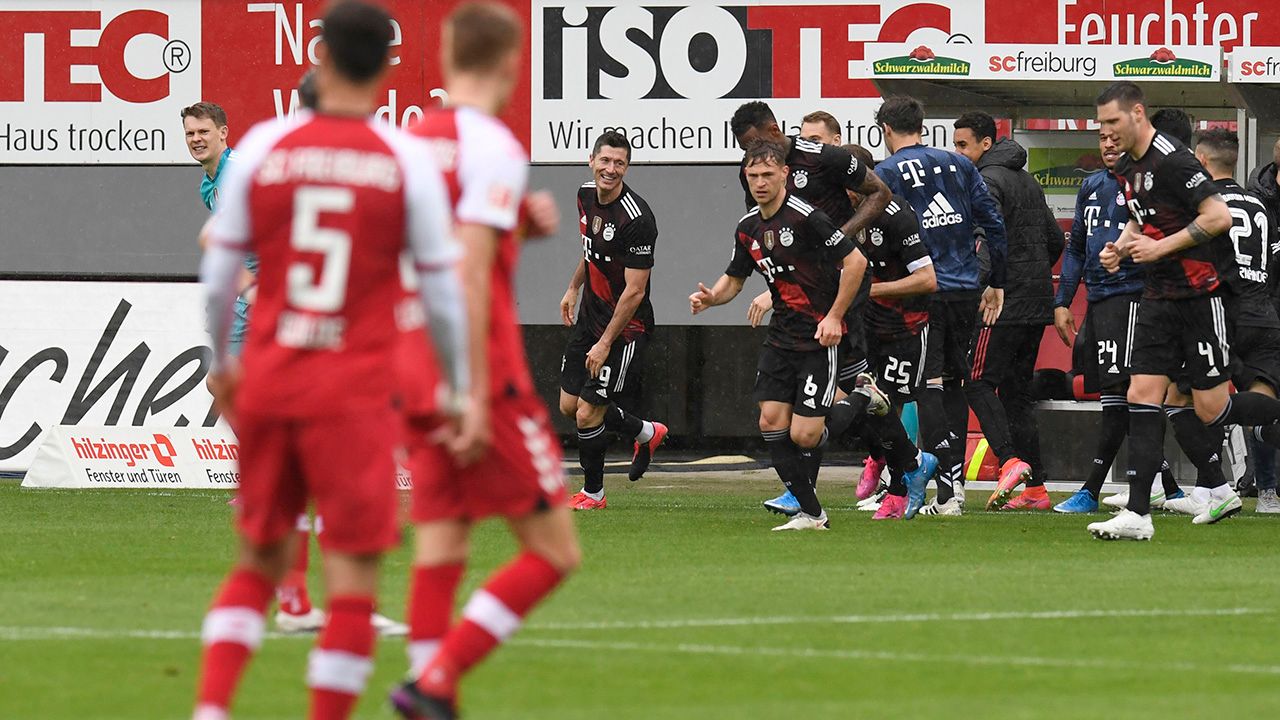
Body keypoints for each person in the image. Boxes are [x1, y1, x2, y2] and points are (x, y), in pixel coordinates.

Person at [193, 3, 469, 719]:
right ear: (386, 64)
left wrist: (220, 362)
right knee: (353, 584)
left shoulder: (261, 148)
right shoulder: (401, 156)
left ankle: (211, 710)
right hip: (352, 392)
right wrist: (458, 385)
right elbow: (440, 293)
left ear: (316, 54)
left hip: (272, 378)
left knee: (256, 562)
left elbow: (220, 273)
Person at [391, 5, 581, 719]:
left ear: (444, 60)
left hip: (412, 365)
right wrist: (469, 389)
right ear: (510, 65)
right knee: (554, 552)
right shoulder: (492, 143)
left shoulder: (409, 144)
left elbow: (413, 260)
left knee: (441, 544)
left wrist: (511, 238)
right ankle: (434, 680)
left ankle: (429, 697)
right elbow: (466, 273)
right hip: (481, 375)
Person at [1085, 81, 1280, 540]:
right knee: (1142, 393)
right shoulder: (1129, 167)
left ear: (1137, 113)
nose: (1107, 134)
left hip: (1201, 297)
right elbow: (1143, 217)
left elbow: (1218, 217)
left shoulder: (1174, 159)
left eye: (1113, 122)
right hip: (1158, 297)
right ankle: (1138, 514)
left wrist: (1159, 247)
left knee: (1211, 409)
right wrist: (1121, 245)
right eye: (1101, 126)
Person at [729, 102, 897, 514]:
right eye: (747, 155)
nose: (754, 163)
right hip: (799, 300)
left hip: (841, 286)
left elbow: (881, 193)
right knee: (799, 413)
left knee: (818, 408)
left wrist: (837, 240)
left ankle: (888, 456)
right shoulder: (754, 173)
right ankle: (896, 456)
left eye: (755, 146)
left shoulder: (827, 159)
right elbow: (768, 238)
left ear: (773, 130)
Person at [874, 96, 1008, 512]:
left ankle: (942, 488)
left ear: (885, 131)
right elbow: (993, 223)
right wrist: (996, 281)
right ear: (922, 126)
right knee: (953, 382)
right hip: (966, 289)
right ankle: (954, 488)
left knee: (925, 385)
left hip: (922, 291)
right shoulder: (960, 164)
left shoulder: (886, 172)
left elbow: (881, 233)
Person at [1052, 130, 1184, 513]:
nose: (1108, 145)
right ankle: (1169, 487)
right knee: (1118, 396)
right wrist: (1063, 301)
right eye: (1102, 138)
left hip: (1132, 296)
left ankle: (1091, 490)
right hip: (1099, 300)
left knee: (1124, 397)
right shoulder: (1091, 185)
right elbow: (1076, 245)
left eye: (1115, 138)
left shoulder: (1145, 186)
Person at [951, 112, 1065, 511]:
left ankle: (1010, 460)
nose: (958, 152)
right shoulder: (1028, 181)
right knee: (1017, 394)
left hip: (1000, 303)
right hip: (1035, 305)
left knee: (977, 381)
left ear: (986, 144)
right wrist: (1032, 275)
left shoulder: (985, 180)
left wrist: (985, 285)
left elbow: (986, 238)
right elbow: (1054, 240)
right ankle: (1036, 490)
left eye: (963, 144)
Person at [1171, 128, 1280, 516]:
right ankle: (1210, 492)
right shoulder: (1260, 203)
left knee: (1180, 400)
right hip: (1264, 314)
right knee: (1264, 409)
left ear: (1200, 161)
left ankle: (1215, 488)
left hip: (1222, 313)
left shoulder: (1203, 203)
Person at [559, 130, 667, 510]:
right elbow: (589, 250)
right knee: (570, 406)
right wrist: (573, 288)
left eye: (619, 163)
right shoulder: (585, 195)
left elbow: (635, 291)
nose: (610, 169)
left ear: (627, 167)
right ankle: (645, 431)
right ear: (592, 161)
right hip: (589, 317)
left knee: (589, 412)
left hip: (624, 331)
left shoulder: (637, 219)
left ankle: (594, 493)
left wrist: (605, 342)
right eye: (604, 160)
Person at [840, 144, 945, 518]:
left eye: (853, 184)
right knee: (853, 405)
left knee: (891, 406)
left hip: (905, 327)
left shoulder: (898, 215)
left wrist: (869, 289)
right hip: (862, 327)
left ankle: (901, 488)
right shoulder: (837, 212)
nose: (847, 192)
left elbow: (927, 280)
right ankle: (883, 457)